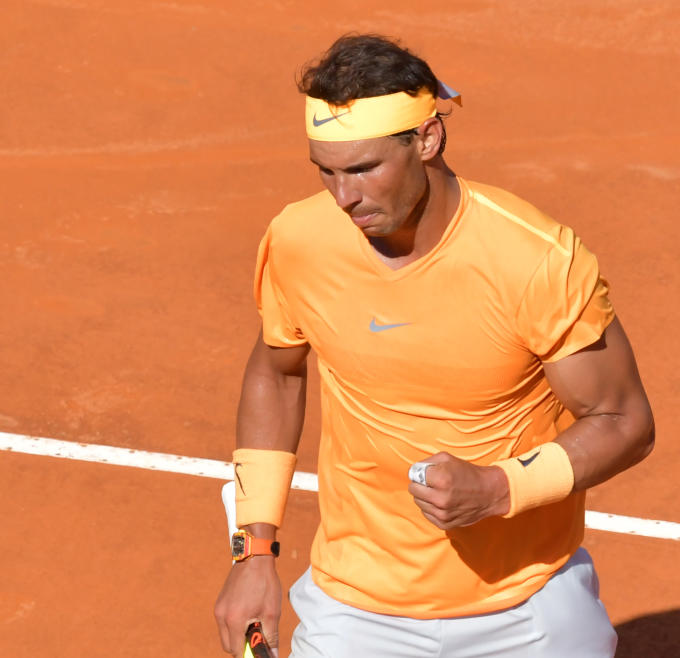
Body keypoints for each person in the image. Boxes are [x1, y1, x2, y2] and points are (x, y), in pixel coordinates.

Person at [213, 34, 655, 658]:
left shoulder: (533, 262)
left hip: (526, 603)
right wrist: (253, 552)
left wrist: (500, 489)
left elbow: (625, 421)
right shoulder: (299, 240)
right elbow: (277, 373)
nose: (345, 199)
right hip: (357, 605)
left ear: (426, 140)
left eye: (364, 169)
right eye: (327, 171)